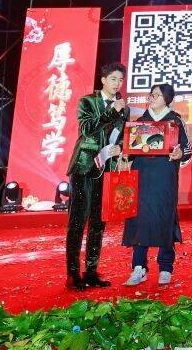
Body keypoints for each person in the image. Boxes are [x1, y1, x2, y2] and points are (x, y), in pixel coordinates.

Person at [64, 61, 128, 290]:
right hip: (84, 167)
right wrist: (112, 111)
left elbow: (121, 134)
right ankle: (73, 274)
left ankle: (91, 272)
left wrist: (120, 147)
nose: (117, 84)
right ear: (103, 80)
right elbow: (86, 129)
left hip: (106, 168)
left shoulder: (123, 107)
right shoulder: (88, 102)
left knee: (99, 222)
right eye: (113, 79)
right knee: (78, 221)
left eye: (121, 80)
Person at [122, 83, 192, 287]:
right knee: (139, 219)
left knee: (165, 218)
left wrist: (179, 154)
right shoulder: (140, 121)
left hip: (165, 176)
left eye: (156, 95)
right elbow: (130, 150)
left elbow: (187, 149)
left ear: (167, 99)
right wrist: (124, 151)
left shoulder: (175, 121)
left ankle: (165, 267)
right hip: (142, 176)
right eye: (151, 95)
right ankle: (139, 267)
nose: (151, 98)